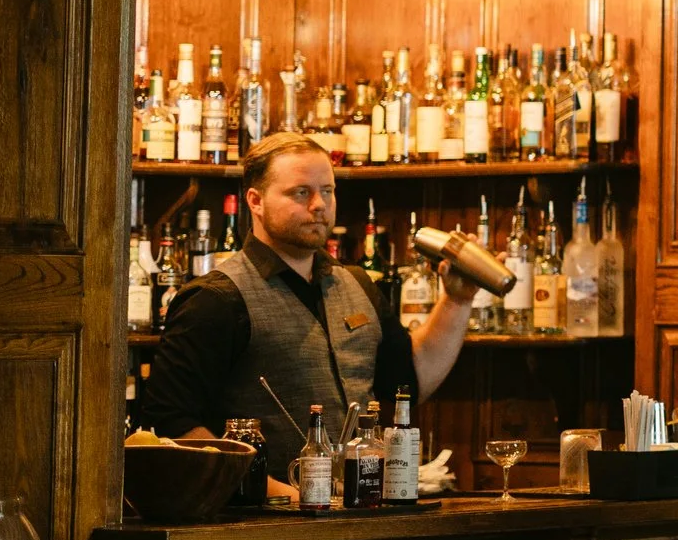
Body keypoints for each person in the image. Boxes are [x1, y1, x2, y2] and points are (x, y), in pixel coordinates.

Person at [141, 132, 481, 482]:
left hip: (357, 513)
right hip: (262, 524)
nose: (319, 204)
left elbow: (408, 382)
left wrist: (457, 300)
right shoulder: (216, 298)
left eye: (328, 191)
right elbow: (172, 421)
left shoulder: (357, 284)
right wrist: (267, 491)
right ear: (255, 201)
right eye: (301, 192)